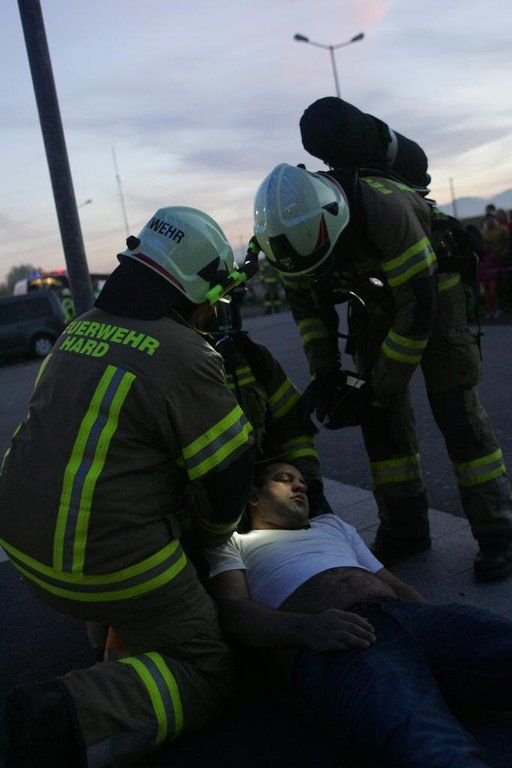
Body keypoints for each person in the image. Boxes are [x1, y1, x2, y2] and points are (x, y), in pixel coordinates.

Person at [0, 206, 256, 767]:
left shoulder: (77, 330)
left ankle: (110, 633)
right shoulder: (186, 354)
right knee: (207, 668)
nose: (214, 309)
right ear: (195, 287)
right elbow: (227, 482)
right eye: (214, 294)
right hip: (102, 565)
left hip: (21, 546)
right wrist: (206, 542)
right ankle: (55, 717)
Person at [252, 163, 512, 581]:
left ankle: (499, 532)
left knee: (455, 408)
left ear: (333, 221)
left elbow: (418, 309)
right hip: (374, 298)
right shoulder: (288, 246)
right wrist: (325, 375)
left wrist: (375, 388)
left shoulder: (384, 210)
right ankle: (405, 530)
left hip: (433, 287)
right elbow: (311, 316)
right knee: (381, 421)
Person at [206, 461, 512, 768]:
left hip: (406, 615)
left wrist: (433, 620)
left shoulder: (331, 524)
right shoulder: (234, 543)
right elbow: (233, 612)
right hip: (345, 640)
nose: (300, 486)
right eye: (284, 479)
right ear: (254, 497)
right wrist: (307, 628)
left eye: (301, 481)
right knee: (426, 739)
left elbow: (392, 583)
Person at [479, 213, 509, 319]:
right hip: (487, 265)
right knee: (487, 293)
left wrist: (503, 255)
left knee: (493, 291)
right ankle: (492, 309)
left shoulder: (501, 230)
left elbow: (506, 243)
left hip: (497, 262)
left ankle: (497, 309)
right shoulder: (484, 233)